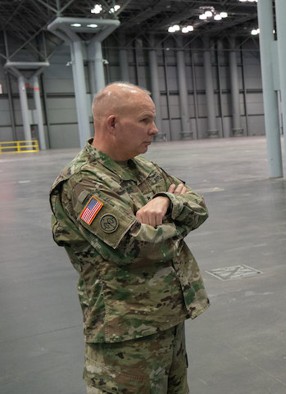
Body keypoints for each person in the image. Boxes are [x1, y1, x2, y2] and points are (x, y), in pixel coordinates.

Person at [50, 82, 210, 393]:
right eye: (144, 120)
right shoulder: (82, 183)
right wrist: (178, 221)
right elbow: (134, 246)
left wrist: (166, 201)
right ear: (112, 123)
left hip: (167, 319)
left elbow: (199, 206)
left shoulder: (143, 169)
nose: (155, 129)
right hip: (124, 337)